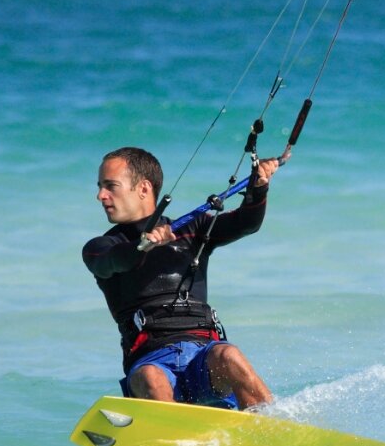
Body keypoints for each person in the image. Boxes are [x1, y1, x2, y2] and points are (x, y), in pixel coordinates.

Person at [82, 146, 278, 411]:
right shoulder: (101, 247)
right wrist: (143, 245)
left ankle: (273, 425)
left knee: (230, 355)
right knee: (150, 377)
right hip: (152, 361)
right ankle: (174, 433)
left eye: (110, 186)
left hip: (203, 356)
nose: (100, 195)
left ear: (143, 188)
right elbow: (113, 261)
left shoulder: (192, 230)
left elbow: (246, 223)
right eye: (100, 186)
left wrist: (259, 187)